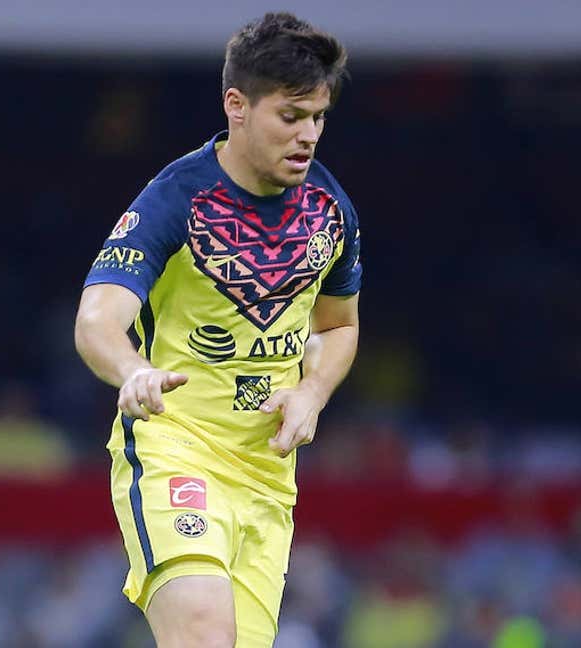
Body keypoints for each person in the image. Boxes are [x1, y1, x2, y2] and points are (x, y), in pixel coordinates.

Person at [74, 12, 361, 647]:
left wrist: (312, 393)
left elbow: (339, 326)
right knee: (204, 635)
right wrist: (132, 371)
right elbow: (97, 318)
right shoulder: (177, 199)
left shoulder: (329, 209)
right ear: (237, 104)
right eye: (290, 116)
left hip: (267, 478)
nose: (308, 135)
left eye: (317, 117)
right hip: (176, 447)